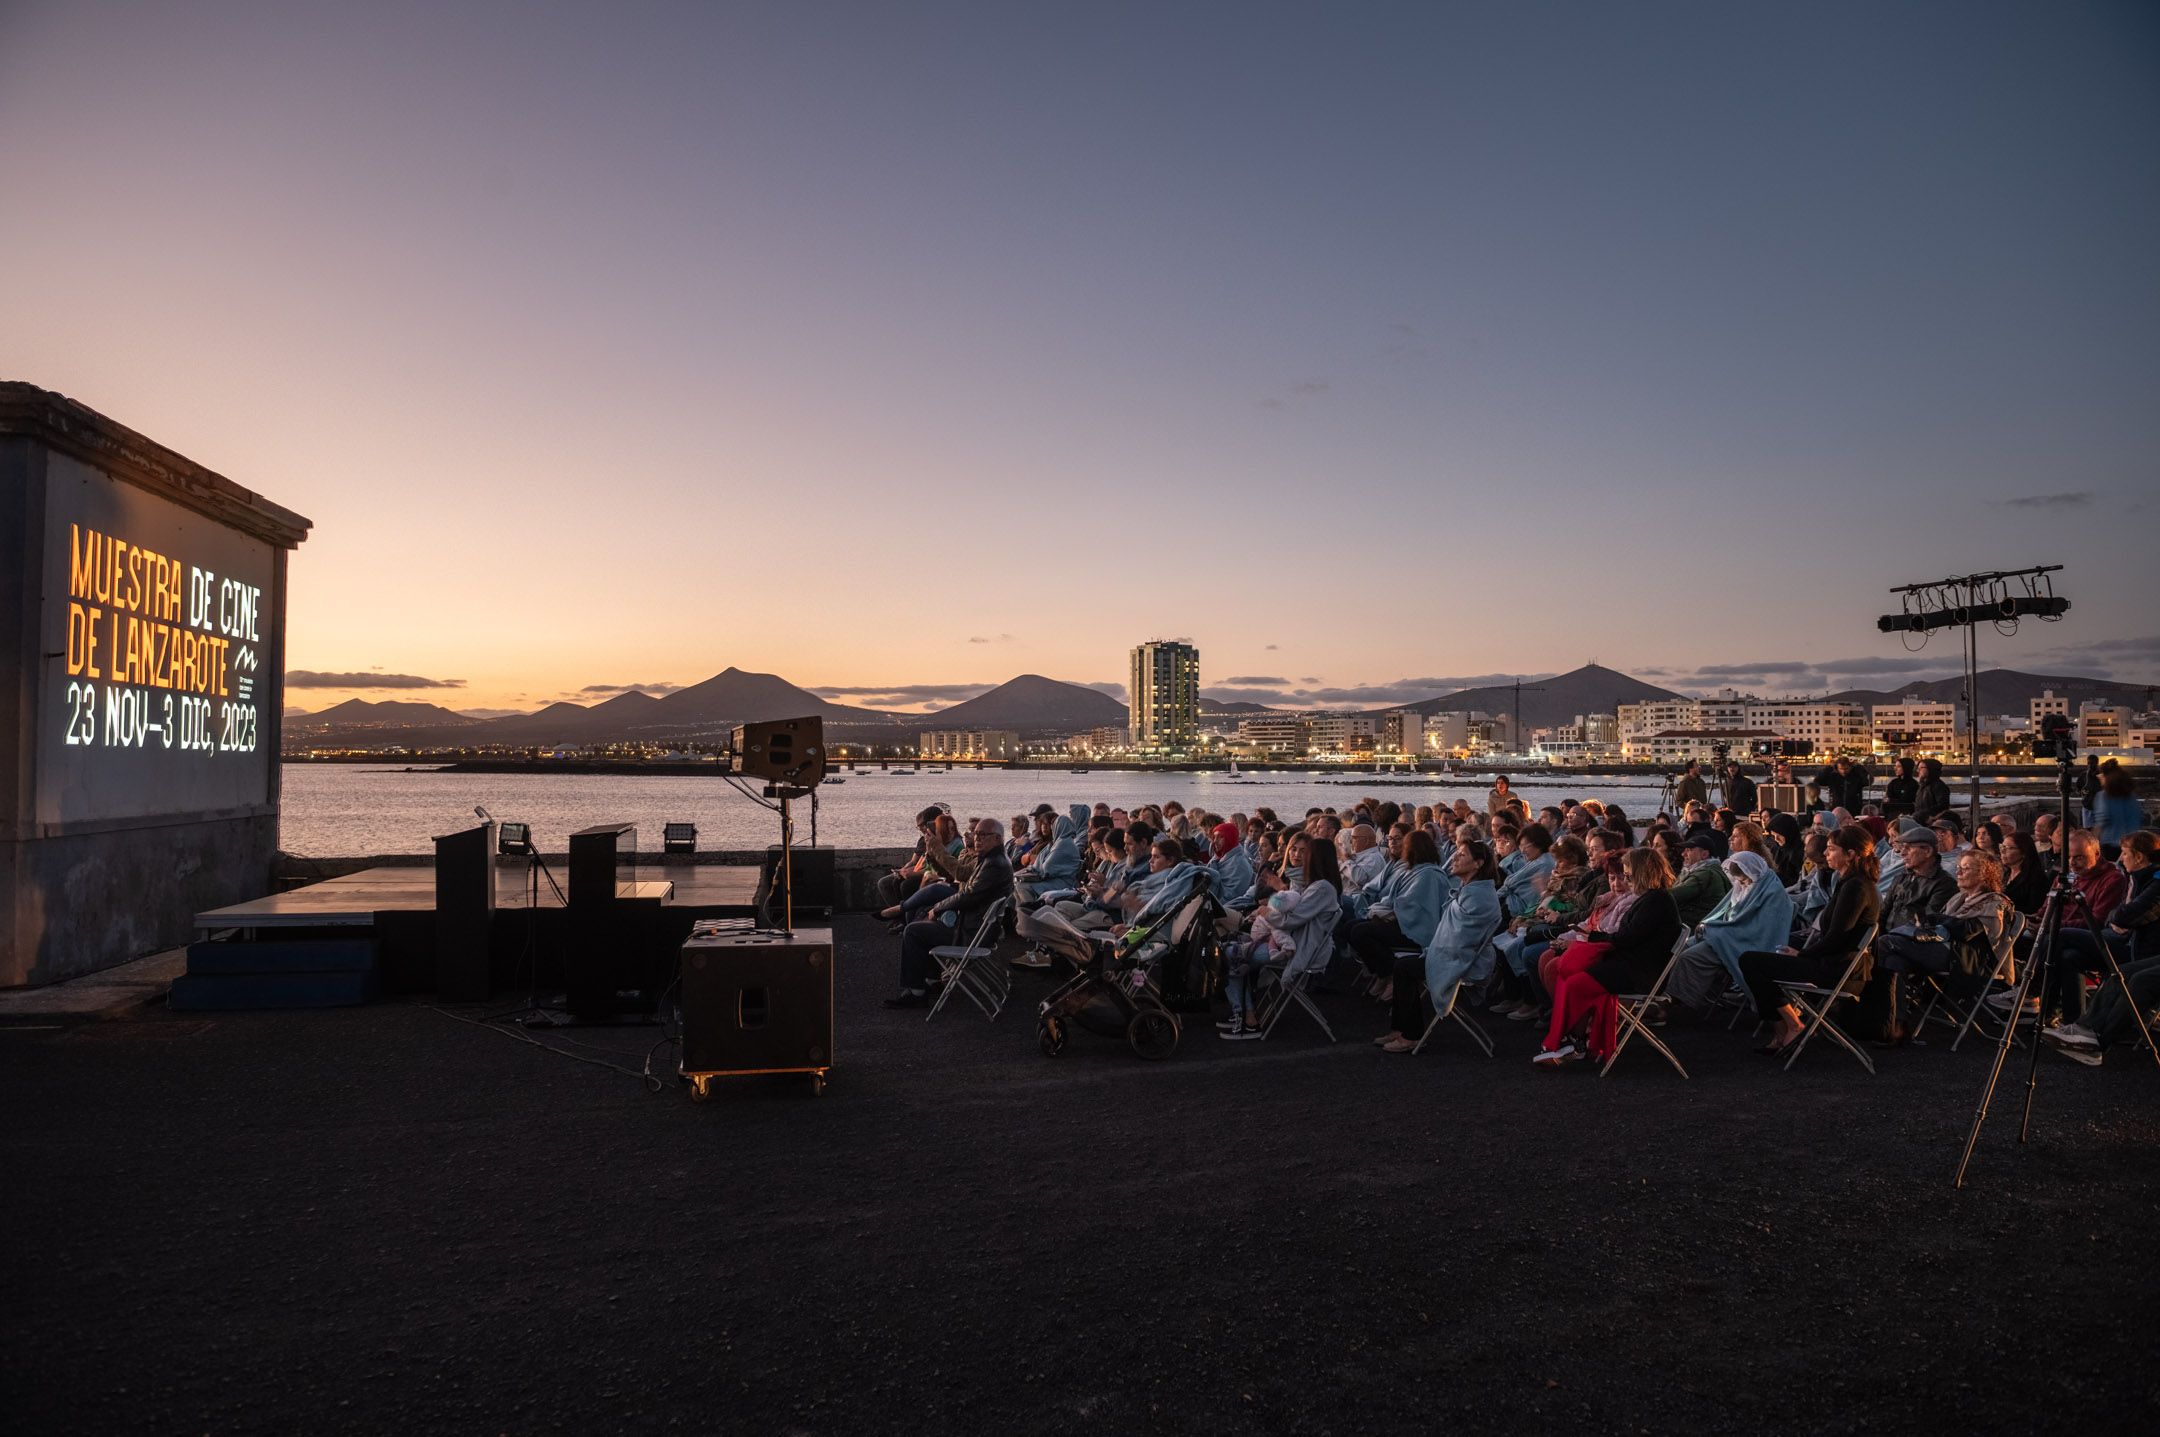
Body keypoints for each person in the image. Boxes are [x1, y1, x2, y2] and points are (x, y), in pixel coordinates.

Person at [1737, 824, 1882, 1053]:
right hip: (1831, 962)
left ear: (1850, 855)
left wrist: (1802, 953)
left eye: (1832, 849)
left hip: (1836, 969)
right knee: (1757, 958)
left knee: (1750, 961)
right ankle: (1786, 1025)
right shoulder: (1849, 883)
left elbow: (1837, 937)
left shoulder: (1857, 887)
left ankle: (1790, 1024)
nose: (1825, 854)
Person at [1534, 846, 1683, 1066]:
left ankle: (1575, 1042)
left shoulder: (1656, 901)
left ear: (1642, 872)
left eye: (1629, 874)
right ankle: (1575, 1040)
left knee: (1576, 983)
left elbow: (1626, 938)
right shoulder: (1651, 898)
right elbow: (1626, 938)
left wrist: (1592, 938)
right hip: (1630, 964)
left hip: (1639, 973)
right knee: (1570, 977)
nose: (1627, 879)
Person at [2043, 831, 2160, 1064]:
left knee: (2135, 980)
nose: (2121, 858)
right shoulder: (2141, 878)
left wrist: (2117, 919)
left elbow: (2124, 915)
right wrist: (2117, 919)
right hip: (2128, 941)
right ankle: (2078, 1026)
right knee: (2072, 957)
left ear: (2137, 857)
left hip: (2138, 947)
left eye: (2125, 853)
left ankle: (2096, 1043)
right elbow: (2118, 917)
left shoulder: (2152, 880)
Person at [1376, 839, 1501, 1053]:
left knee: (1404, 969)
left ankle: (1412, 1035)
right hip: (1452, 954)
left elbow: (1461, 939)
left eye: (1462, 855)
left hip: (1465, 961)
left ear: (1478, 863)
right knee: (1403, 966)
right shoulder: (1469, 890)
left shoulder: (1480, 896)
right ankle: (1400, 1029)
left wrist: (1432, 953)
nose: (1454, 857)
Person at [1220, 838, 1342, 1039]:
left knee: (1231, 954)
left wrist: (1264, 912)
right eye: (1294, 850)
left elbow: (1291, 920)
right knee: (1233, 948)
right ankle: (1246, 1014)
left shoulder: (1322, 888)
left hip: (1297, 949)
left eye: (1305, 852)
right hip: (1289, 942)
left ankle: (1244, 1018)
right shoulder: (1311, 885)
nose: (1298, 856)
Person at [887, 820, 1011, 1008]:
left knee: (913, 931)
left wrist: (937, 908)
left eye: (982, 835)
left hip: (971, 934)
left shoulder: (994, 864)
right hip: (976, 929)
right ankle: (931, 981)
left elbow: (969, 895)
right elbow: (961, 878)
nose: (976, 838)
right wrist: (934, 853)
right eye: (975, 833)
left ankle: (916, 993)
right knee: (924, 924)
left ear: (998, 838)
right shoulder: (991, 859)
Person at [1667, 851, 1794, 1014]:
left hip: (1745, 944)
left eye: (1745, 880)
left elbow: (1762, 931)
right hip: (1729, 937)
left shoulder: (1772, 893)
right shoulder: (1743, 886)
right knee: (1682, 949)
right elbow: (1726, 913)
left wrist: (1717, 931)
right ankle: (1683, 999)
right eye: (1740, 881)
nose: (1743, 884)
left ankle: (1683, 1005)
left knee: (1689, 957)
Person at [1344, 830, 1451, 986]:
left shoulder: (1429, 874)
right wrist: (1380, 908)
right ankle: (1383, 970)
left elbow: (1413, 905)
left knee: (1360, 932)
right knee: (1351, 926)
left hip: (1415, 930)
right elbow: (1394, 897)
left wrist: (1387, 909)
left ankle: (1389, 972)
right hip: (1402, 921)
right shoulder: (1412, 870)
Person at [1671, 830, 1731, 927]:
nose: (1683, 854)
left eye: (1689, 850)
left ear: (1704, 854)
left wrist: (1650, 895)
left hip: (1696, 926)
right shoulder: (1708, 870)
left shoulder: (1706, 873)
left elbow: (1675, 894)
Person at [2093, 760, 2144, 849]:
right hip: (2130, 845)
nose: (2099, 777)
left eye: (2101, 774)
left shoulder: (2103, 796)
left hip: (2109, 844)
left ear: (2106, 777)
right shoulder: (2131, 796)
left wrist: (2092, 843)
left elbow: (2101, 823)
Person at [2001, 831, 2049, 914]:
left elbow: (2034, 909)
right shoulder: (2005, 874)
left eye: (2009, 848)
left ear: (2023, 852)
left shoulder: (2036, 878)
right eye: (2002, 847)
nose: (2003, 851)